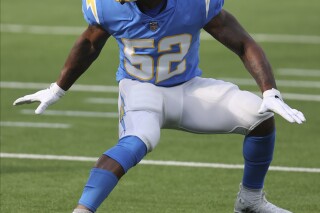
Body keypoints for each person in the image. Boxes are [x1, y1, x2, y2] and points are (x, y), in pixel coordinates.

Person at [13, 0, 306, 212]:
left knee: (259, 116)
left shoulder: (194, 4)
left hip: (189, 88)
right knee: (139, 140)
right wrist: (57, 89)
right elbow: (90, 43)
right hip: (140, 89)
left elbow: (242, 42)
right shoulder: (108, 6)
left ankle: (250, 201)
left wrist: (270, 92)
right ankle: (83, 210)